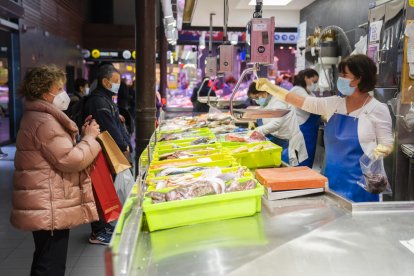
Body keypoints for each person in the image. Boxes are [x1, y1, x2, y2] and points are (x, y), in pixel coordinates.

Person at [255, 54, 393, 202]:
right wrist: (271, 88)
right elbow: (301, 101)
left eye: (344, 75)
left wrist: (382, 149)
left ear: (359, 78)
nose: (340, 78)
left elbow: (387, 142)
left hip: (362, 186)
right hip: (331, 181)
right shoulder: (335, 104)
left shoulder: (377, 109)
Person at [10, 65, 101, 275]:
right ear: (44, 92)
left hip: (44, 198)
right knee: (51, 263)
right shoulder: (45, 121)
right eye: (58, 88)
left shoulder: (37, 116)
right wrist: (90, 138)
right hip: (48, 201)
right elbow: (71, 159)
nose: (63, 93)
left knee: (45, 257)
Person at [82, 64, 131, 244]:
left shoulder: (105, 99)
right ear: (105, 82)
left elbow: (114, 123)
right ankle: (98, 231)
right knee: (99, 190)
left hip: (104, 152)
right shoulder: (99, 102)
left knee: (106, 189)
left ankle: (104, 226)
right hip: (99, 152)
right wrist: (124, 146)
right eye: (115, 81)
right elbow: (110, 129)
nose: (118, 85)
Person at [247, 82, 308, 166]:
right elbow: (264, 111)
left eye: (257, 97)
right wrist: (252, 119)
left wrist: (257, 130)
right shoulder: (267, 101)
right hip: (278, 139)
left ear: (265, 91)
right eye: (254, 99)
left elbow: (276, 123)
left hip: (288, 142)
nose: (257, 101)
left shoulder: (279, 100)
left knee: (288, 170)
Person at [290, 68, 320, 168]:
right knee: (300, 161)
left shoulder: (309, 93)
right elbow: (311, 105)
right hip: (301, 130)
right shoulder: (297, 90)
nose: (314, 84)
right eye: (314, 81)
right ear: (306, 78)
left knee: (307, 160)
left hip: (309, 133)